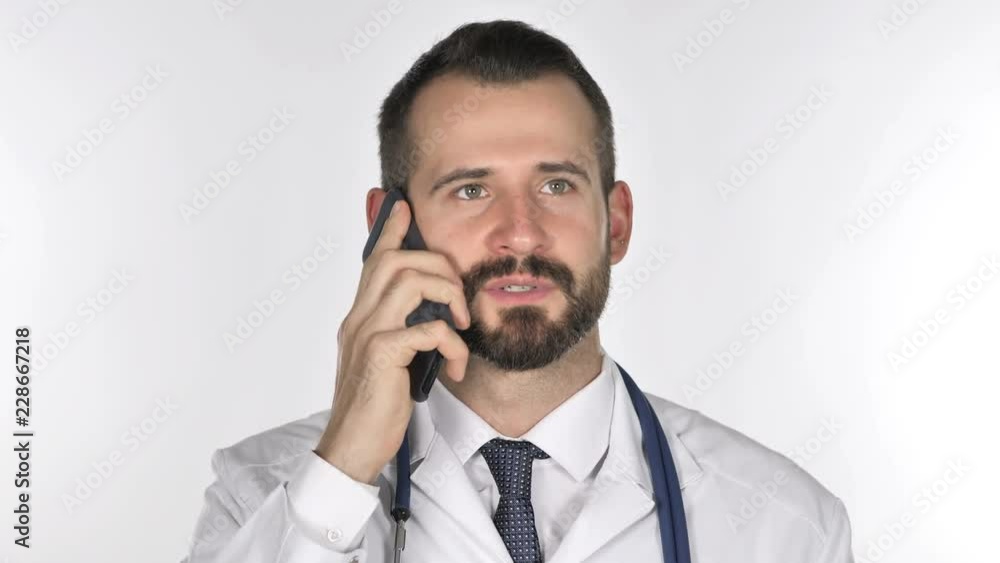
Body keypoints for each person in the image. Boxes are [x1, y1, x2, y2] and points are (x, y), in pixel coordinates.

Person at [182, 19, 855, 563]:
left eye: (556, 184)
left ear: (615, 222)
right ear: (388, 228)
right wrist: (345, 468)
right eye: (471, 189)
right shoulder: (262, 492)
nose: (520, 233)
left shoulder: (784, 527)